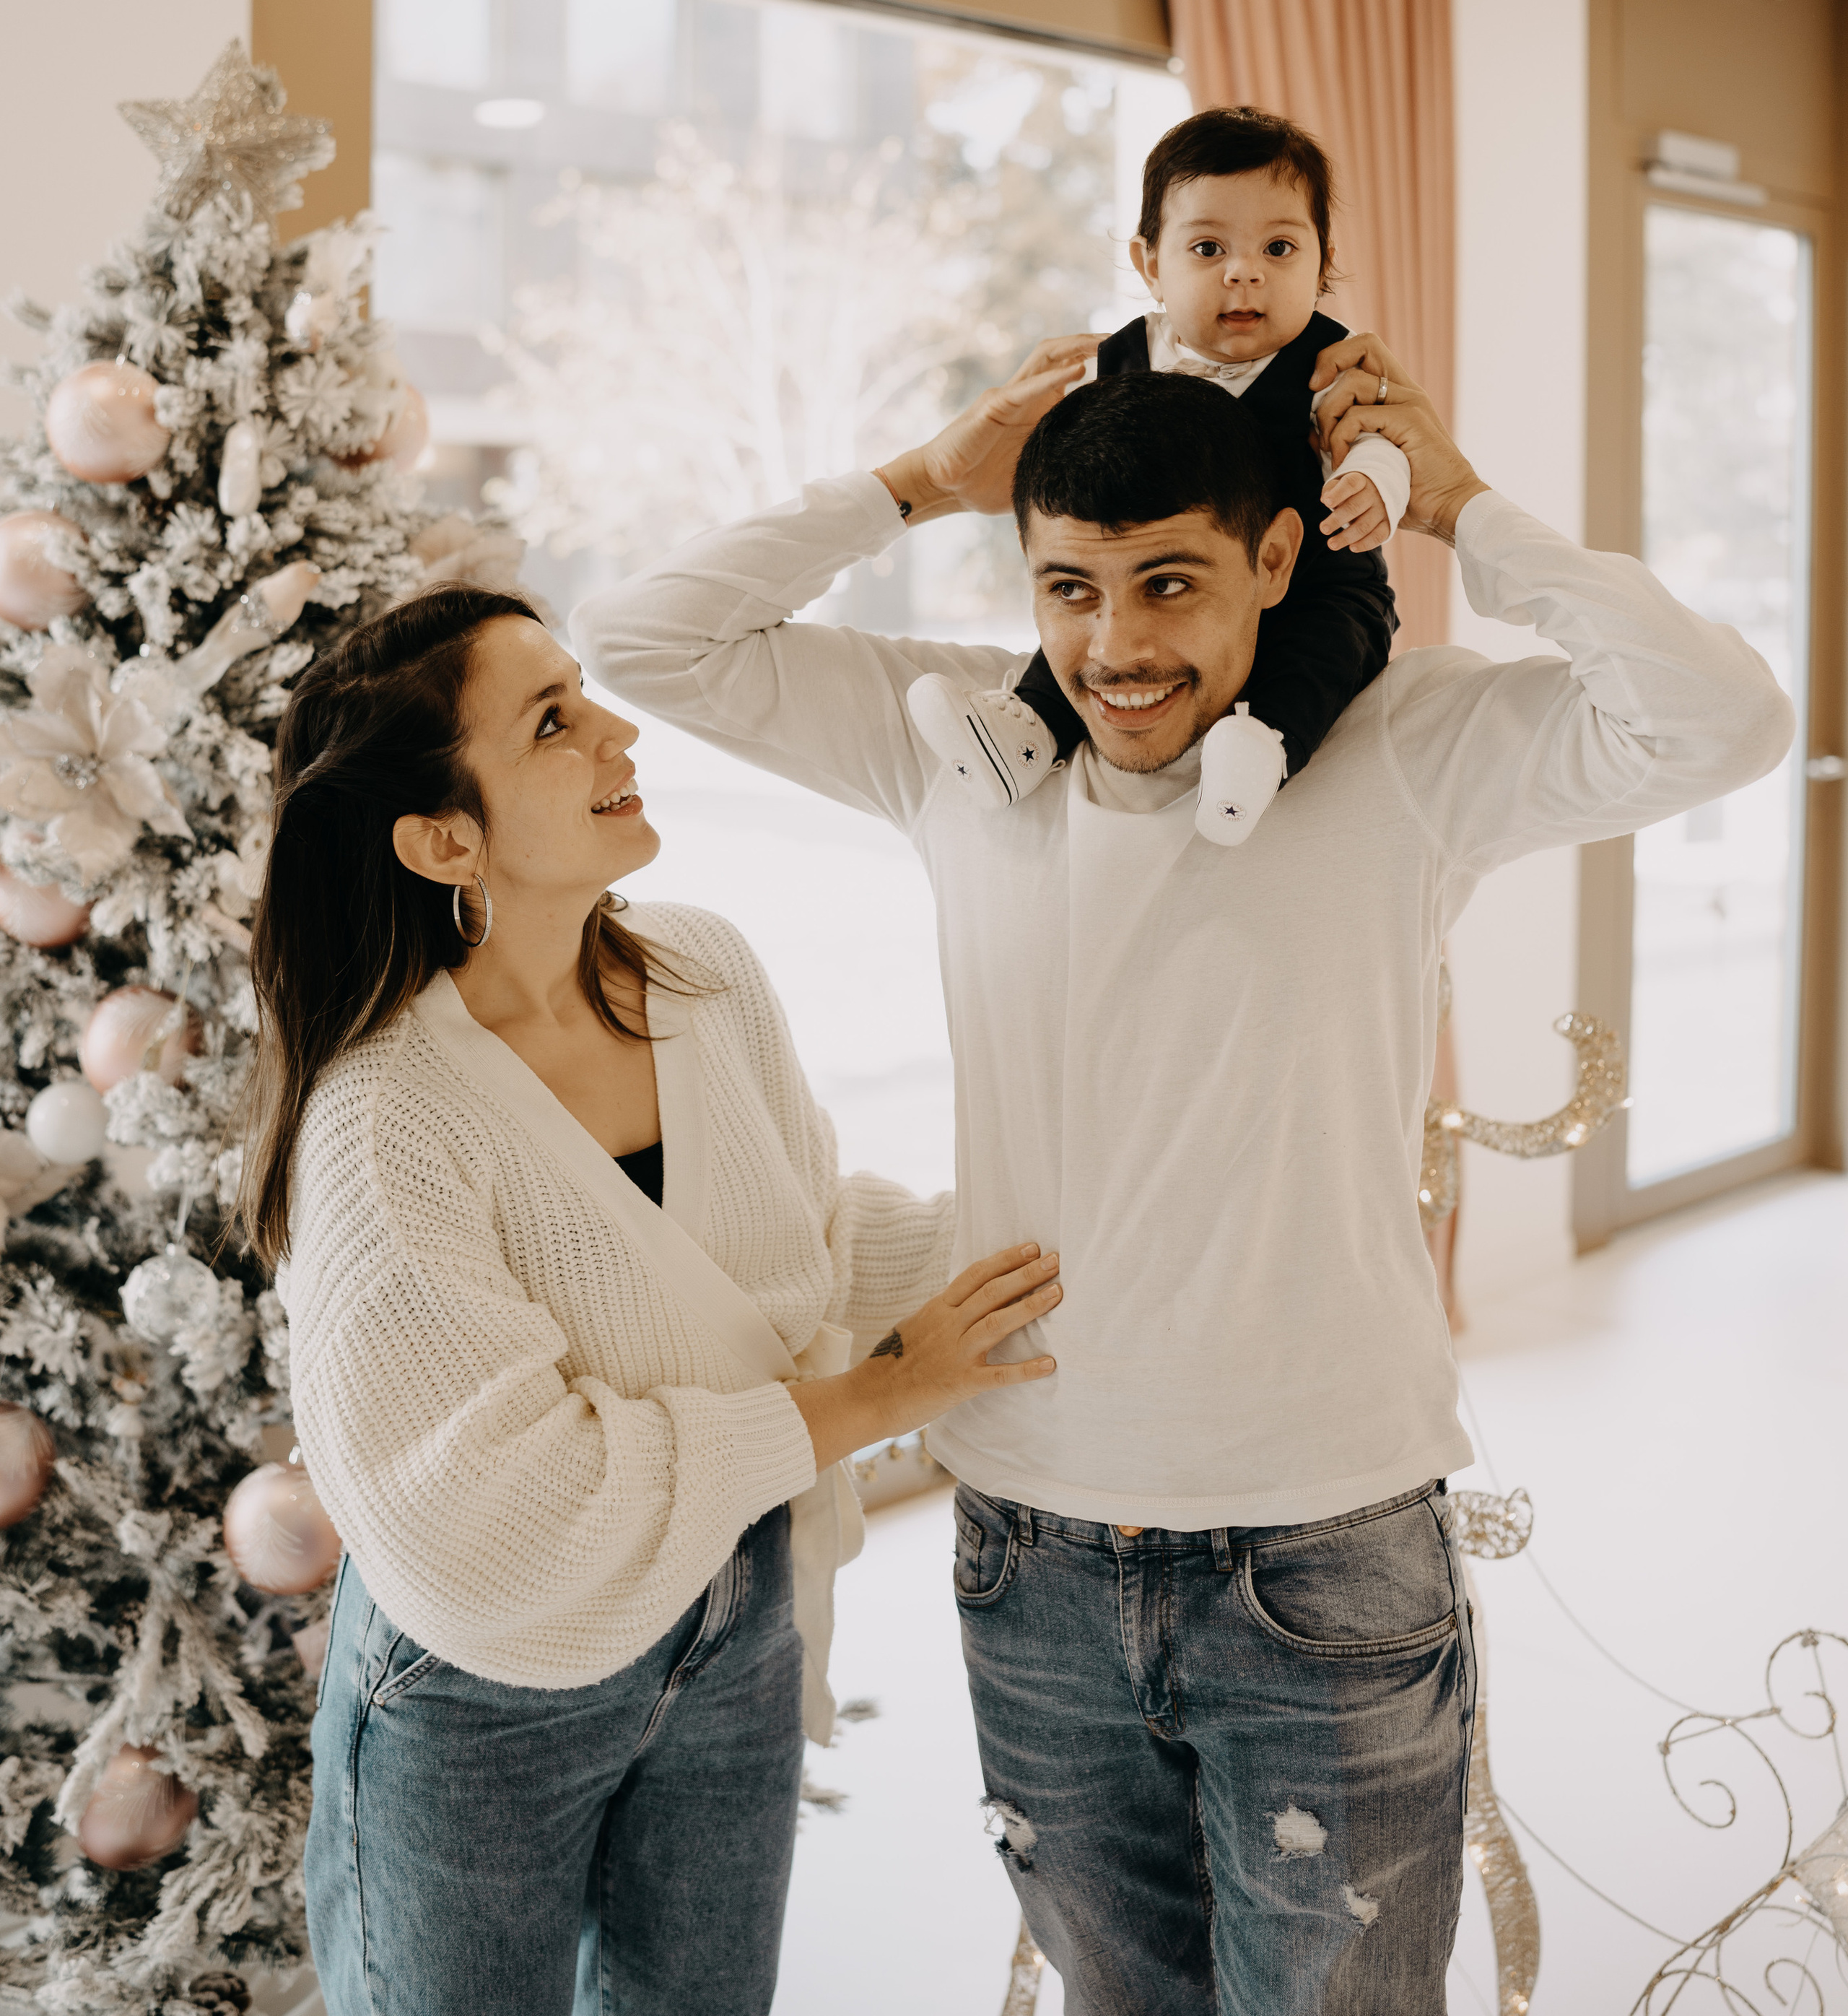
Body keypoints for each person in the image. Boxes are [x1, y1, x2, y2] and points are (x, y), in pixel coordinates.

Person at [574, 335, 1792, 2015]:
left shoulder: (1403, 743)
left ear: (1274, 560)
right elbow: (640, 639)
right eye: (1068, 586)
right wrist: (914, 479)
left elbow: (1725, 719)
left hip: (1322, 1550)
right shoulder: (958, 744)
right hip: (1031, 1549)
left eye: (1167, 584)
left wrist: (1460, 508)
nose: (1114, 643)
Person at [235, 583, 1063, 2016]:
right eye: (552, 721)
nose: (617, 731)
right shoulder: (384, 1120)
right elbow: (500, 1507)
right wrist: (876, 1397)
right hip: (482, 1693)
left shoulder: (700, 972)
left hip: (732, 1620)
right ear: (444, 839)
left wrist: (1049, 1251)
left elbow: (800, 1245)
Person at [907, 107, 1408, 844]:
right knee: (1095, 628)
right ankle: (1023, 736)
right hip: (1152, 585)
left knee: (1326, 651)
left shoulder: (1333, 363)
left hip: (1316, 578)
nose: (1244, 272)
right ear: (1150, 267)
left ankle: (1263, 754)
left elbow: (1378, 440)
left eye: (1277, 248)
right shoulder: (1122, 356)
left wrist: (1374, 482)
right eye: (1208, 248)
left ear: (1321, 262)